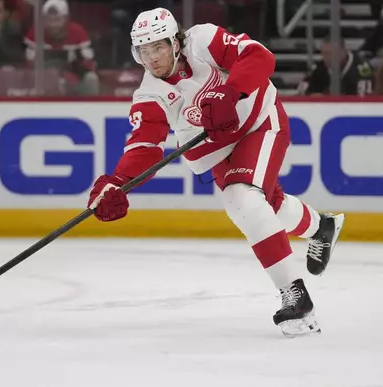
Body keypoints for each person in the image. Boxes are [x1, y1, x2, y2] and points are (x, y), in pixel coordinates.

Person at [86, 8, 345, 337]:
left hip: (258, 123)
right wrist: (117, 183)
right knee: (268, 205)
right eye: (143, 51)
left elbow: (258, 55)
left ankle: (295, 296)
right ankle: (322, 227)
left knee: (243, 201)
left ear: (175, 42)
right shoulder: (148, 95)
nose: (151, 58)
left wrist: (232, 90)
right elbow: (144, 146)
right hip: (215, 151)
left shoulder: (203, 40)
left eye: (158, 47)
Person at [298, 34, 375, 96]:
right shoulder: (319, 67)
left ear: (343, 51)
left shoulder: (361, 68)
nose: (327, 58)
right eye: (324, 54)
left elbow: (366, 98)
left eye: (331, 54)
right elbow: (302, 90)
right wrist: (313, 95)